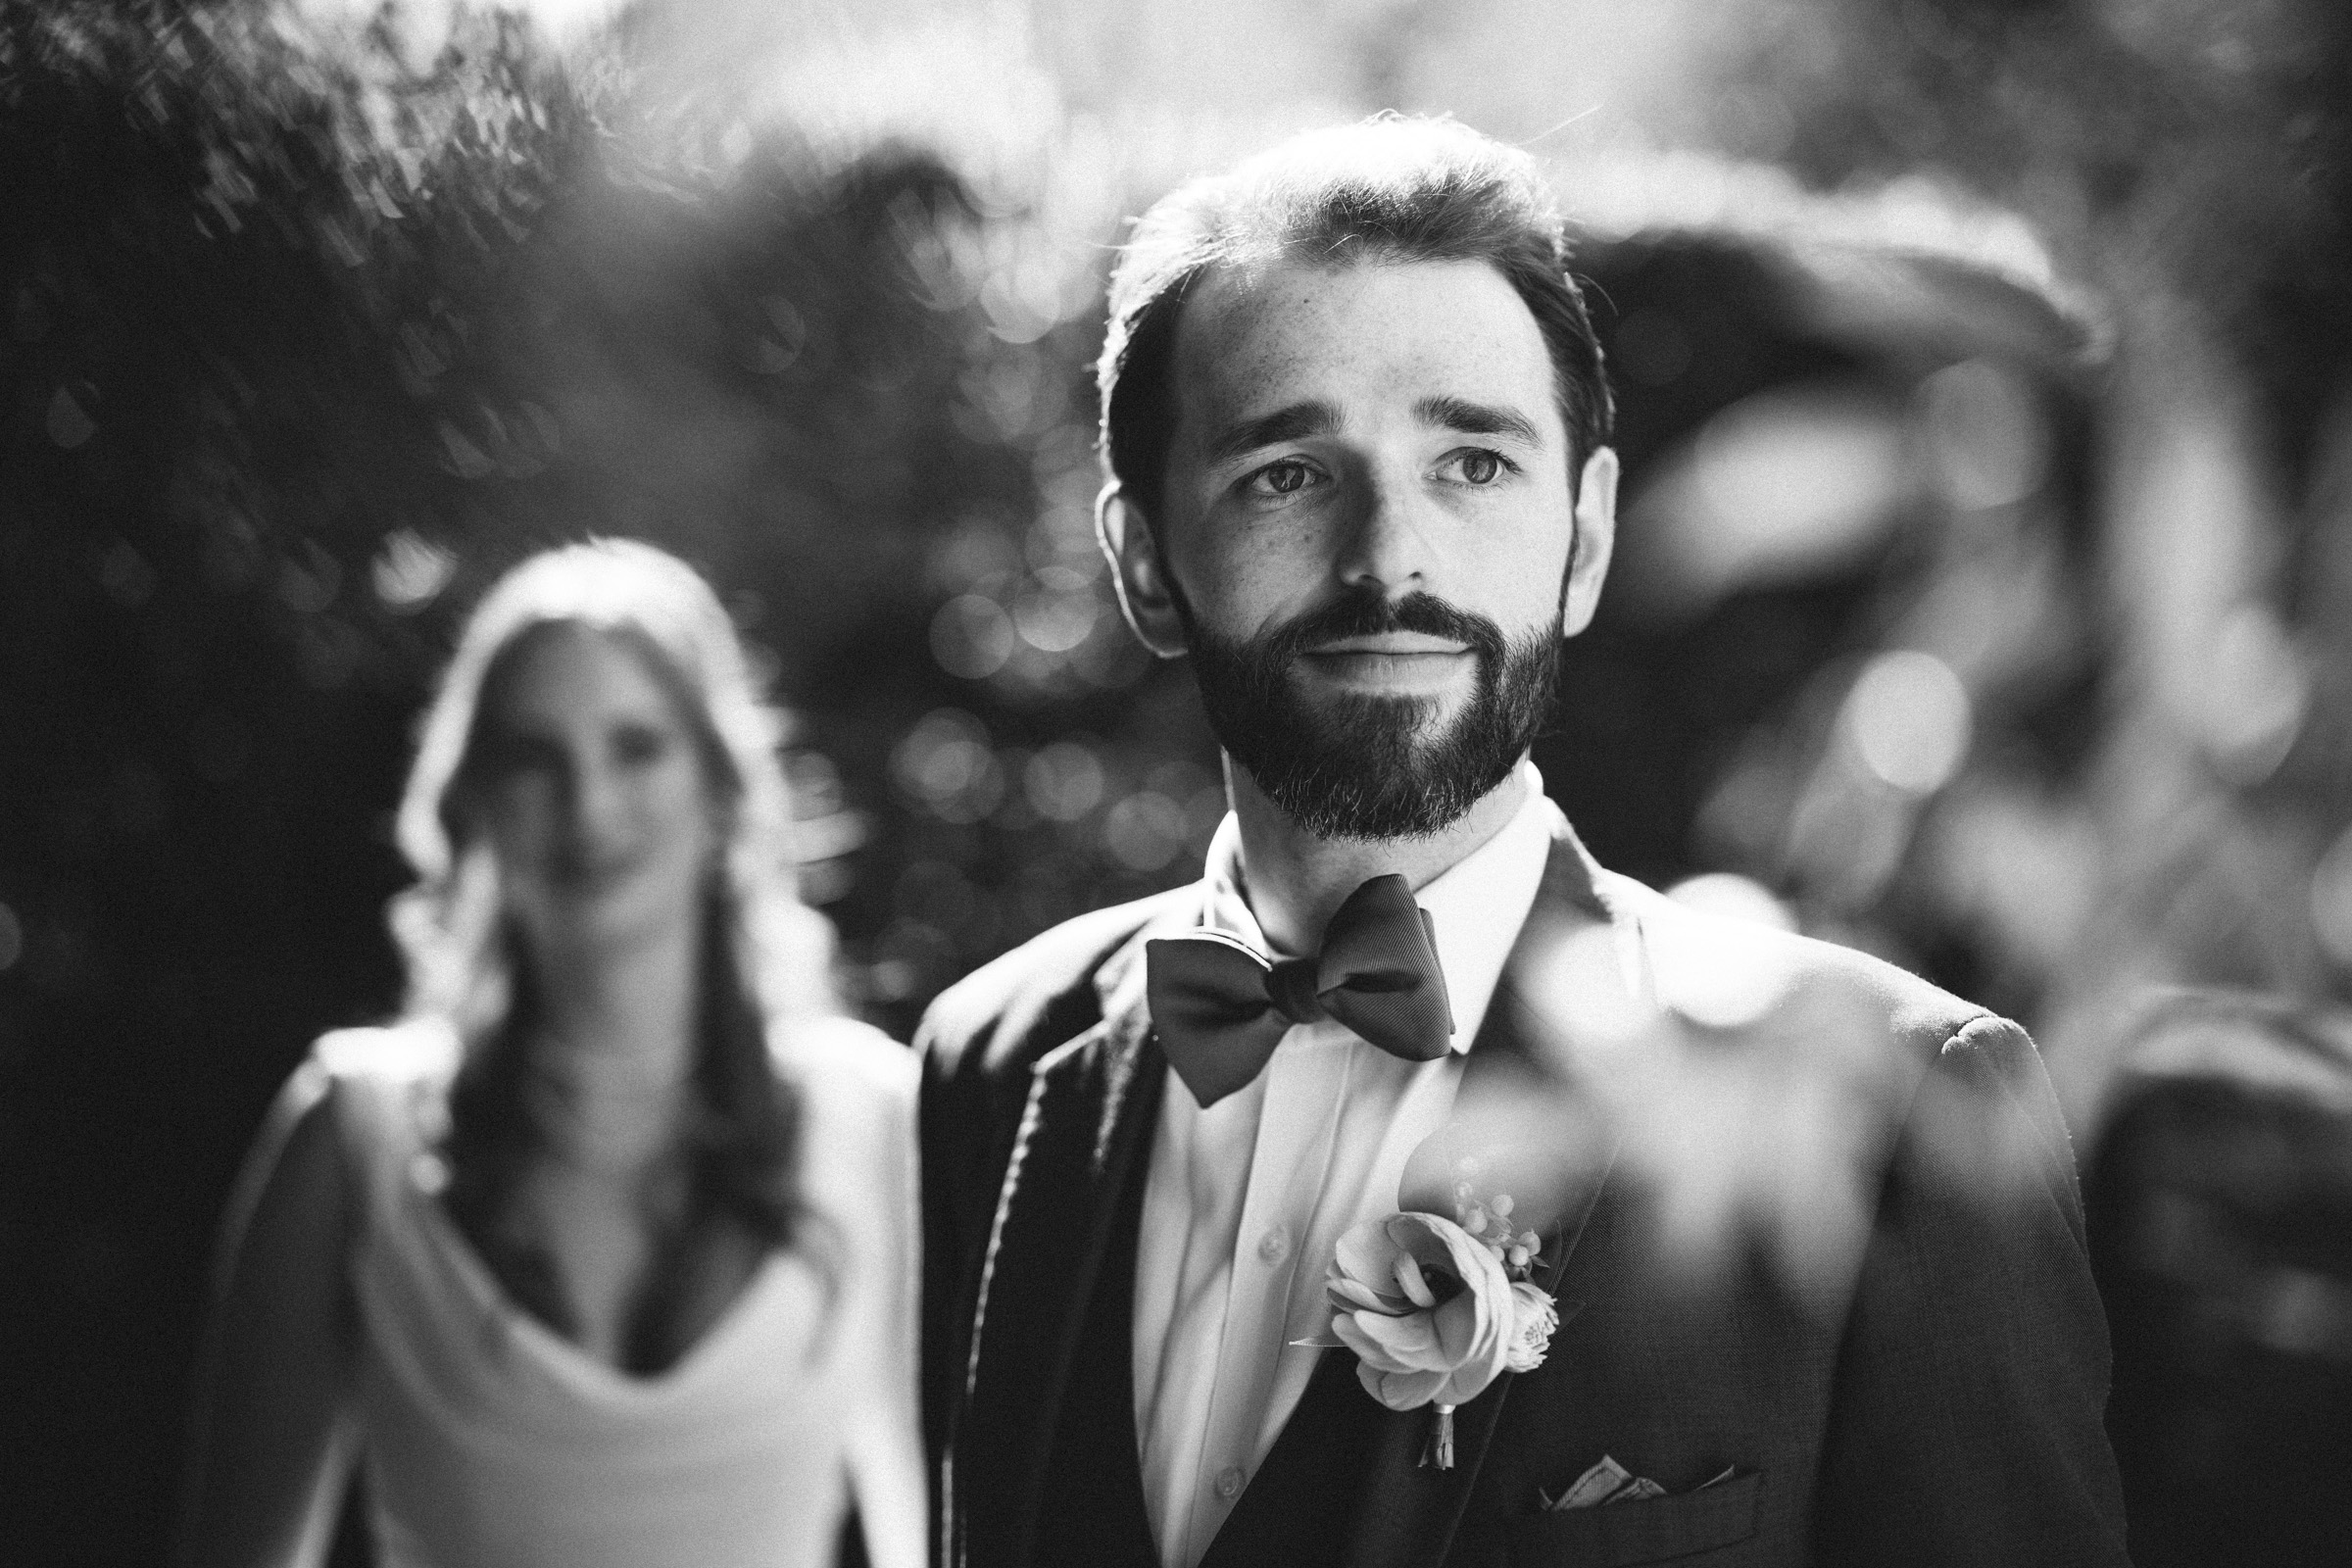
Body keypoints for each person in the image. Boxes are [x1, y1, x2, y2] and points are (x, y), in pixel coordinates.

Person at [916, 117, 2129, 1568]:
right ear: (1144, 565)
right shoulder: (988, 1065)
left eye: (1474, 465)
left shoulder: (1899, 1121)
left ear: (1588, 540)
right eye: (1288, 473)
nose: (1392, 560)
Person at [179, 539, 923, 1568]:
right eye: (534, 755)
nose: (589, 805)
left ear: (720, 789)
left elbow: (948, 1540)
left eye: (636, 746)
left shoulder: (877, 1120)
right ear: (471, 800)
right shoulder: (352, 1135)